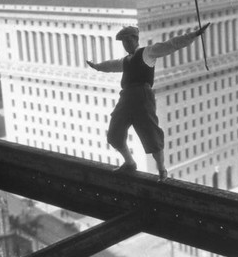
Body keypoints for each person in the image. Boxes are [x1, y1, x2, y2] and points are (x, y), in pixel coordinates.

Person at [87, 23, 210, 182]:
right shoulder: (125, 61)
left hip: (142, 96)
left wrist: (193, 35)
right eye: (123, 42)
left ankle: (162, 170)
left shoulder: (147, 53)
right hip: (126, 97)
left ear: (135, 39)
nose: (125, 44)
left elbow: (171, 45)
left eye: (127, 40)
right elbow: (111, 65)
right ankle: (130, 163)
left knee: (151, 134)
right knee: (114, 134)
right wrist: (97, 66)